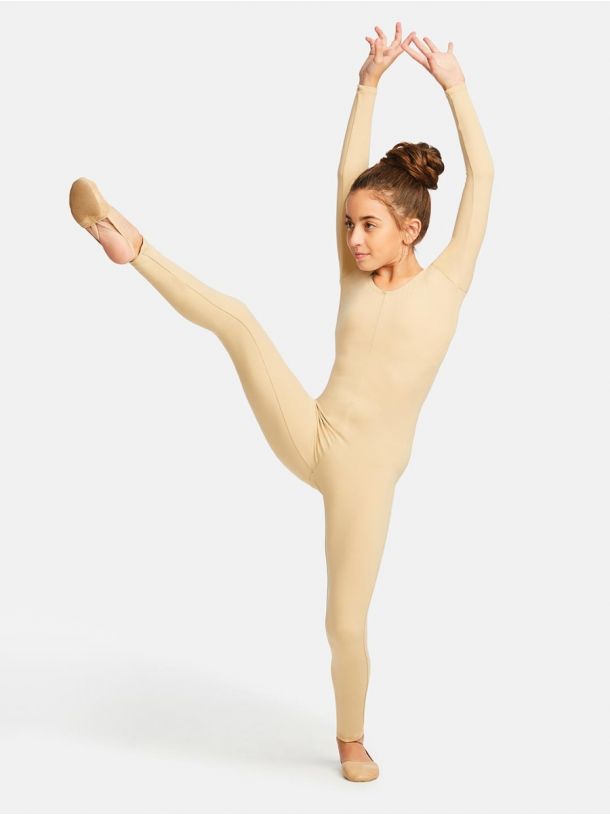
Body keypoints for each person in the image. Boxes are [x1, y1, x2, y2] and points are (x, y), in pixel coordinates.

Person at [68, 23, 494, 782]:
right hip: (313, 431)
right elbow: (345, 175)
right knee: (238, 320)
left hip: (364, 481)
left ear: (411, 230)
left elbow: (484, 178)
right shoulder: (354, 274)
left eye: (369, 226)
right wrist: (367, 82)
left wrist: (454, 85)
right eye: (349, 225)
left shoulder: (449, 283)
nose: (353, 238)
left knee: (344, 623)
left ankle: (351, 740)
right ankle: (131, 245)